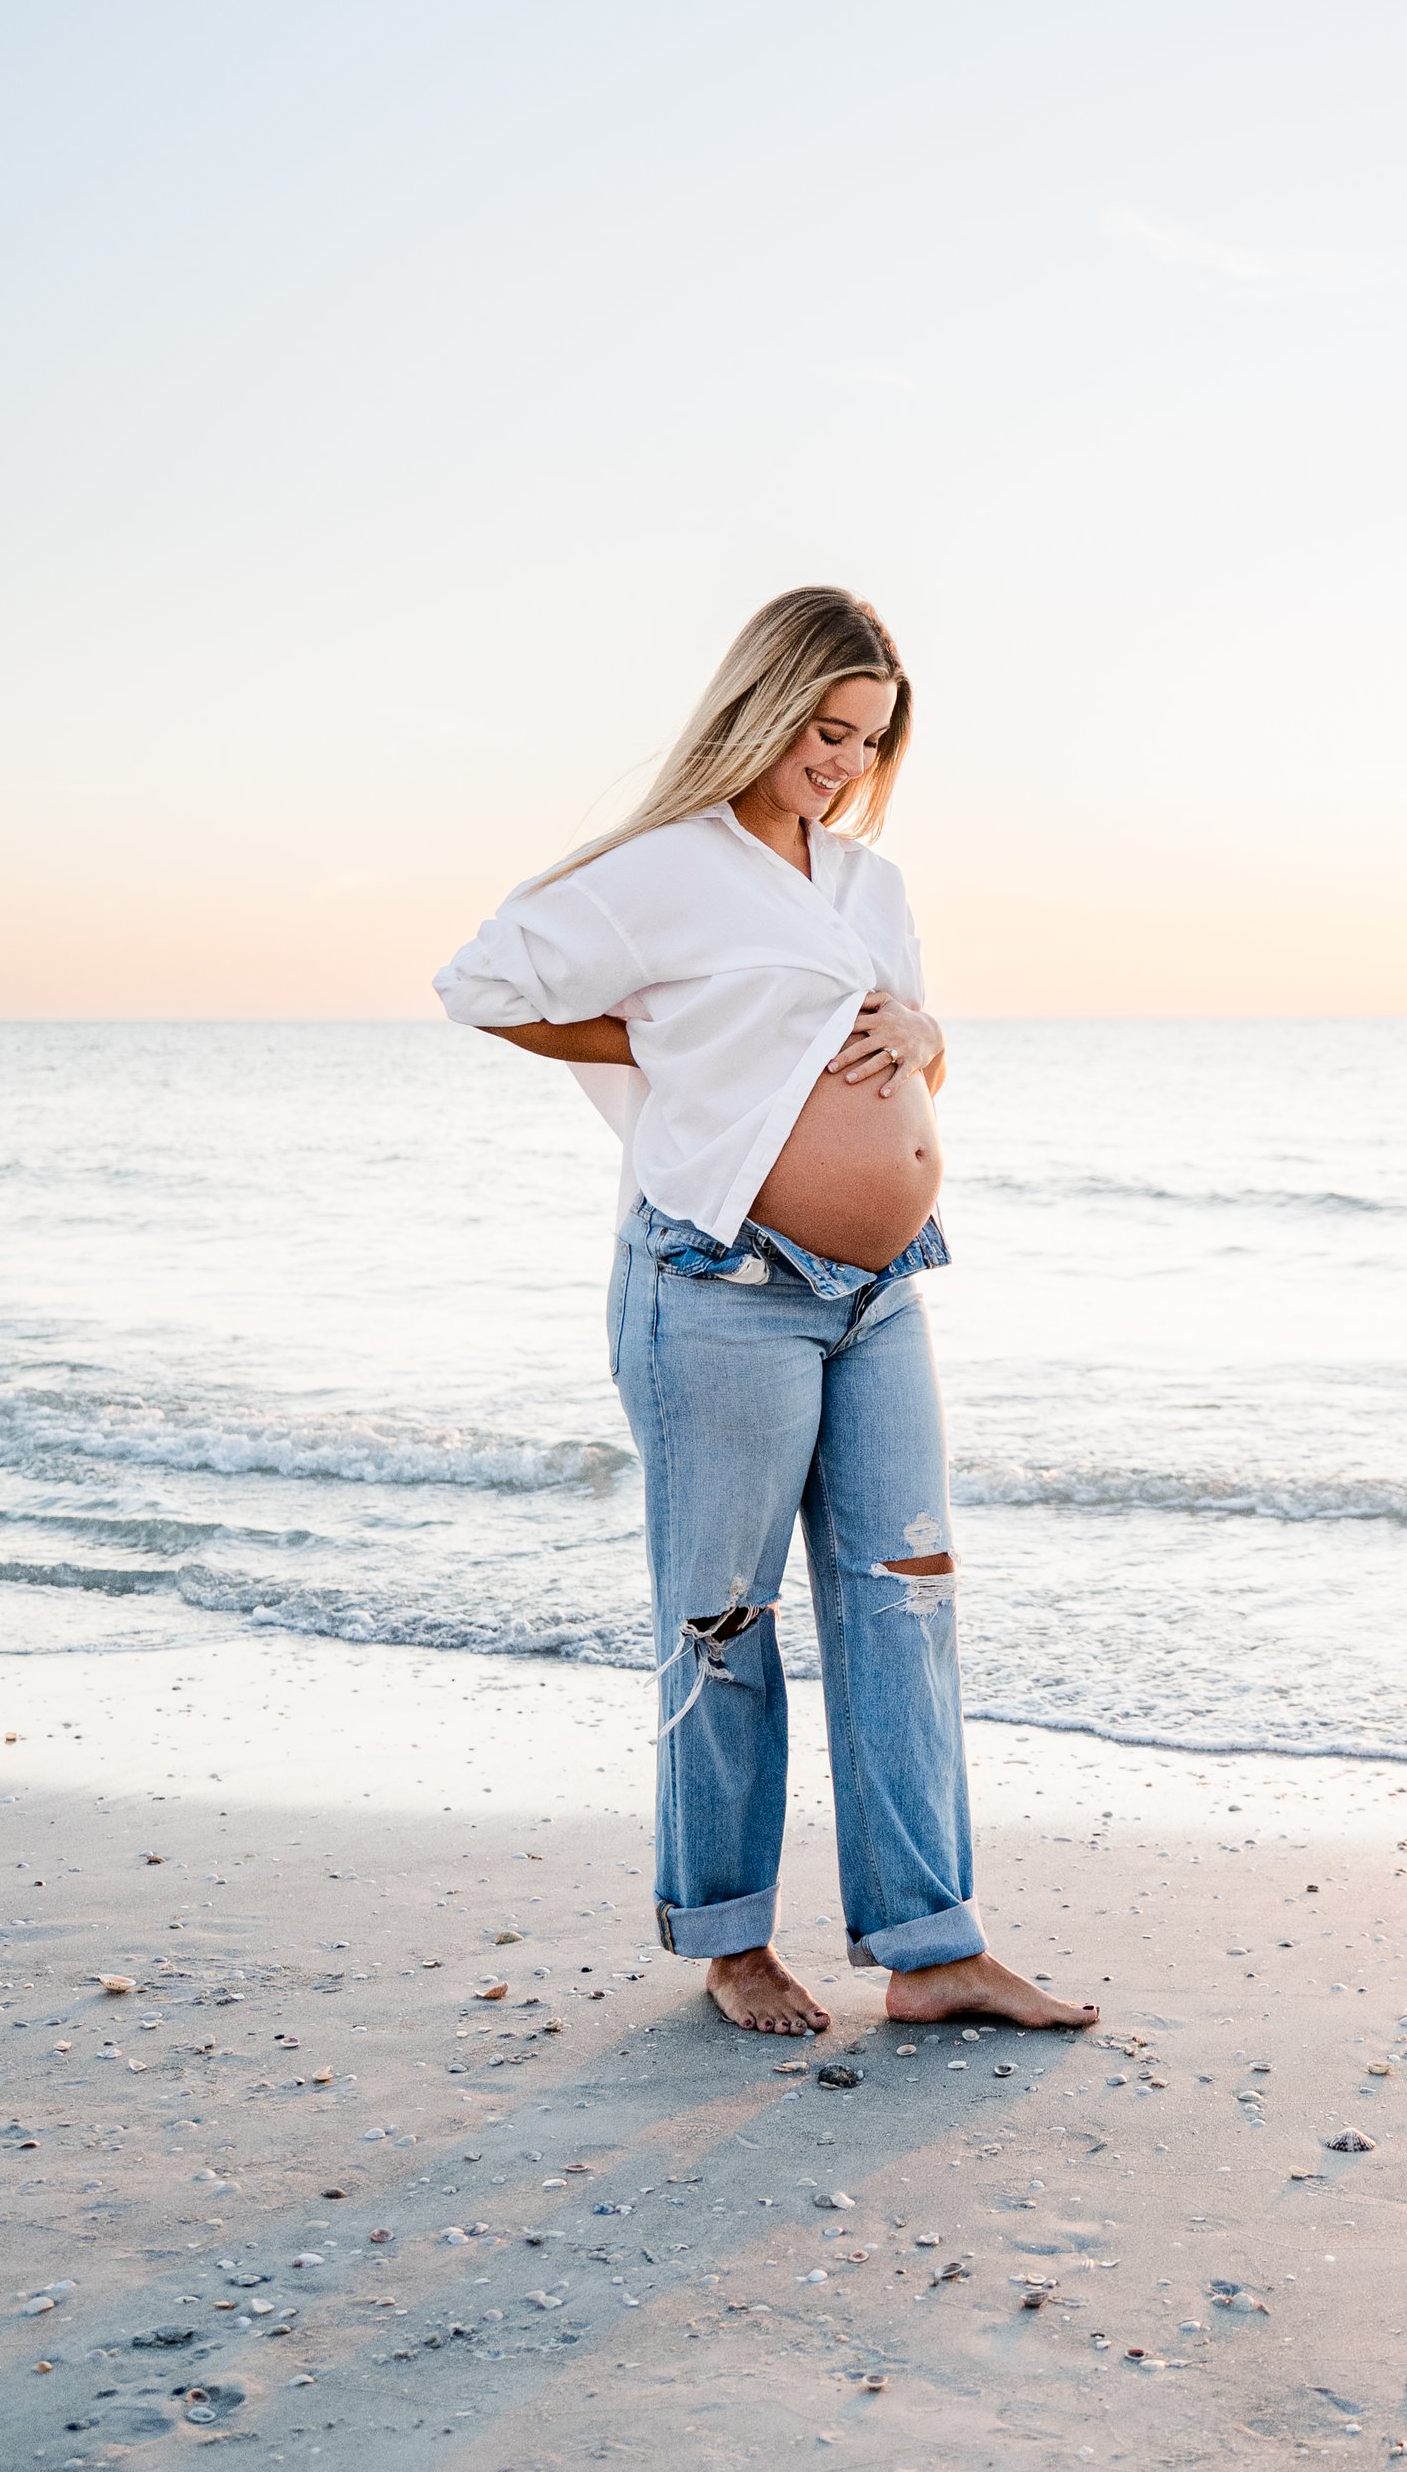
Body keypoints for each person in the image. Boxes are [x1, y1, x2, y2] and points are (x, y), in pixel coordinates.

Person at [434, 586, 1095, 2043]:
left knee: (907, 1597)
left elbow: (900, 1048)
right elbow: (479, 980)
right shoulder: (669, 867)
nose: (841, 759)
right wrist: (660, 1033)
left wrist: (930, 1035)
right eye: (822, 726)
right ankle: (730, 1938)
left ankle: (931, 1945)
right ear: (760, 701)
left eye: (866, 738)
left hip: (883, 1290)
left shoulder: (870, 883)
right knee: (725, 1619)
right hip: (717, 1288)